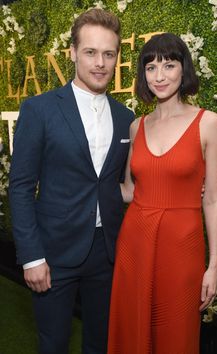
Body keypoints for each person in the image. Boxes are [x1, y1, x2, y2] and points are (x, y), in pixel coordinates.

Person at [9, 8, 134, 354]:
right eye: (91, 52)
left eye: (109, 54)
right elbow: (20, 187)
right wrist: (32, 257)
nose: (100, 63)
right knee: (53, 344)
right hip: (53, 253)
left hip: (107, 251)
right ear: (73, 53)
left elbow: (122, 184)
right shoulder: (40, 109)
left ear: (116, 57)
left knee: (101, 343)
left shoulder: (126, 118)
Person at [107, 32, 217, 354]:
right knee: (132, 330)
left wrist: (213, 266)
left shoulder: (208, 123)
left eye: (169, 65)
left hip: (182, 246)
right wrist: (79, 188)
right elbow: (130, 190)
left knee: (176, 333)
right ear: (143, 74)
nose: (159, 76)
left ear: (183, 69)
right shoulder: (136, 126)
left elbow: (212, 197)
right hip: (135, 243)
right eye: (151, 68)